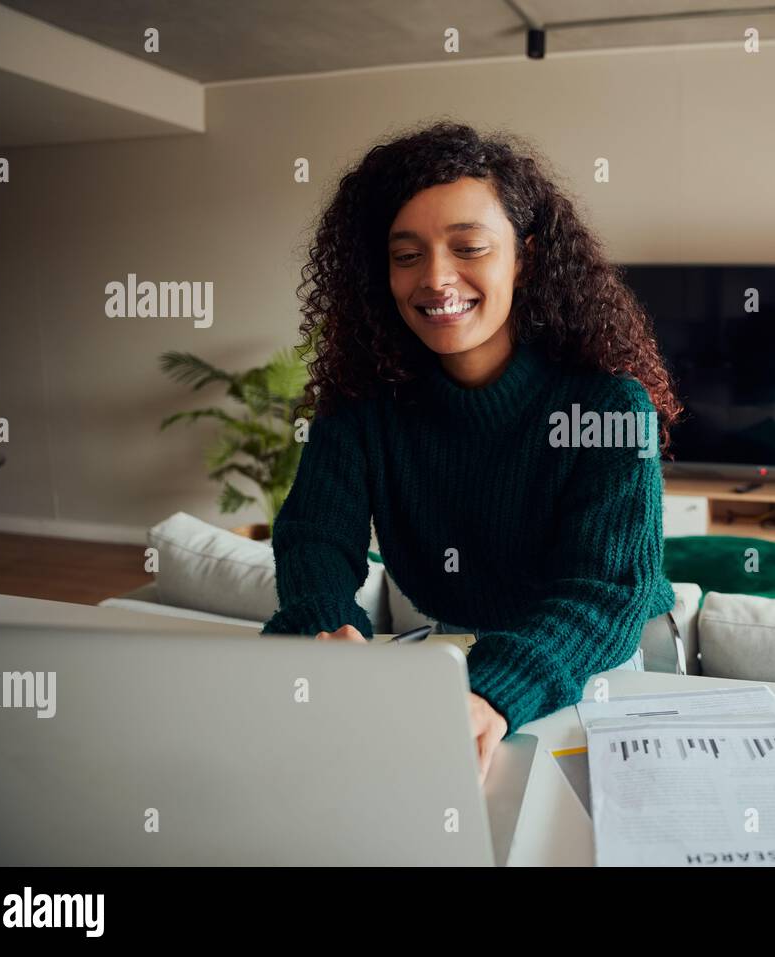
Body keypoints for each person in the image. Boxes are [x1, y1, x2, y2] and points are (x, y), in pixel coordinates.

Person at [260, 120, 684, 784]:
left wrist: (493, 692)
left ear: (528, 256)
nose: (435, 278)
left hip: (591, 660)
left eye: (469, 246)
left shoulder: (608, 406)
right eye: (406, 255)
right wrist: (323, 629)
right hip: (455, 651)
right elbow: (315, 536)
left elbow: (606, 593)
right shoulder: (360, 403)